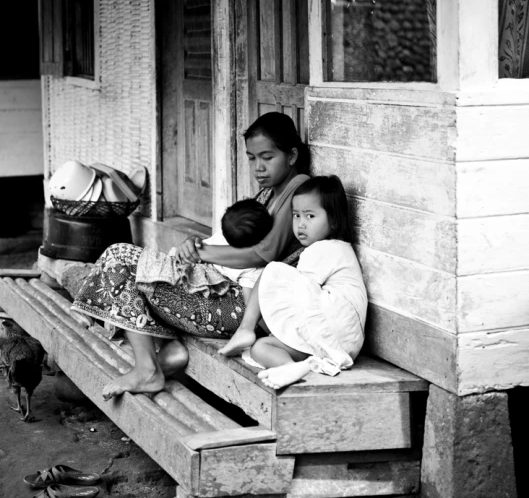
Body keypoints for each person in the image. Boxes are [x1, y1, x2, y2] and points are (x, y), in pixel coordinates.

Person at [71, 112, 310, 400]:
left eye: (267, 157)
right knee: (122, 259)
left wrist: (200, 253)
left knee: (121, 257)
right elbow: (236, 243)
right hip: (221, 292)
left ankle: (149, 368)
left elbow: (264, 253)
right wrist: (194, 245)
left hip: (239, 310)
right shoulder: (267, 194)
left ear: (292, 155)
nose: (258, 167)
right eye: (251, 158)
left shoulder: (299, 188)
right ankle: (160, 358)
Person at [219, 176, 367, 390]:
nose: (301, 224)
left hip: (330, 329)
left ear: (334, 220)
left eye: (310, 216)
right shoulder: (341, 249)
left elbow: (295, 293)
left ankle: (246, 327)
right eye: (296, 215)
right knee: (261, 347)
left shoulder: (325, 249)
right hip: (343, 344)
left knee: (270, 272)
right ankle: (290, 368)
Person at [135, 199, 273, 304]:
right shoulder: (252, 269)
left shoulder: (222, 239)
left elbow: (193, 247)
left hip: (178, 273)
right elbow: (251, 301)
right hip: (188, 279)